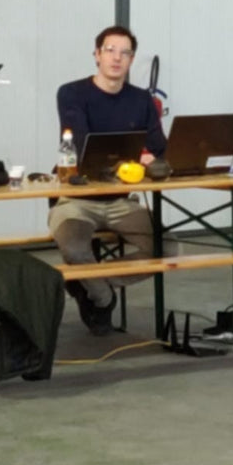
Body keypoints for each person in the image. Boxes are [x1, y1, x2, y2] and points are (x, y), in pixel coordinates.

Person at [50, 26, 166, 335]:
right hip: (76, 200)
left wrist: (148, 156)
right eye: (110, 50)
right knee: (73, 249)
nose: (117, 58)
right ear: (97, 55)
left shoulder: (141, 100)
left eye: (124, 52)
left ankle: (88, 283)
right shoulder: (71, 93)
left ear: (131, 59)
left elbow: (158, 147)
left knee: (167, 248)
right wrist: (133, 157)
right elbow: (84, 144)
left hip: (121, 200)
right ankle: (102, 298)